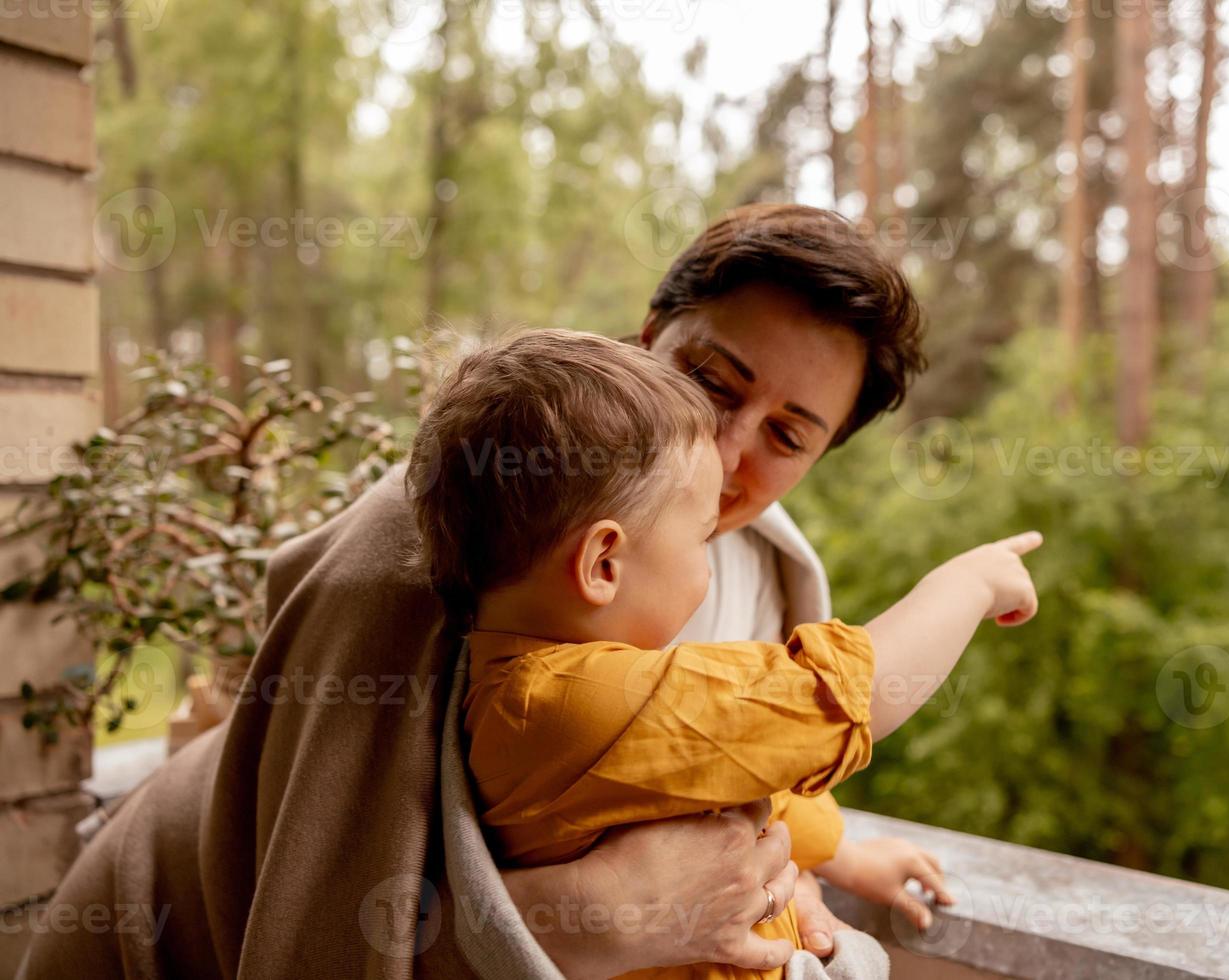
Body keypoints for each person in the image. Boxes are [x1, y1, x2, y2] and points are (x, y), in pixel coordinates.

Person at [21, 204, 944, 979]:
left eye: (788, 435)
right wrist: (599, 915)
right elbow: (319, 900)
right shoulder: (451, 531)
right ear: (650, 335)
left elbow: (716, 781)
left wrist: (812, 863)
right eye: (710, 381)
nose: (731, 446)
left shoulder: (764, 578)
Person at [408, 330, 1042, 980]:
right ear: (603, 563)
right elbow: (843, 693)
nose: (710, 564)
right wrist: (969, 584)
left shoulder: (512, 693)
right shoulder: (589, 702)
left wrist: (845, 860)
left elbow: (737, 778)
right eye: (701, 538)